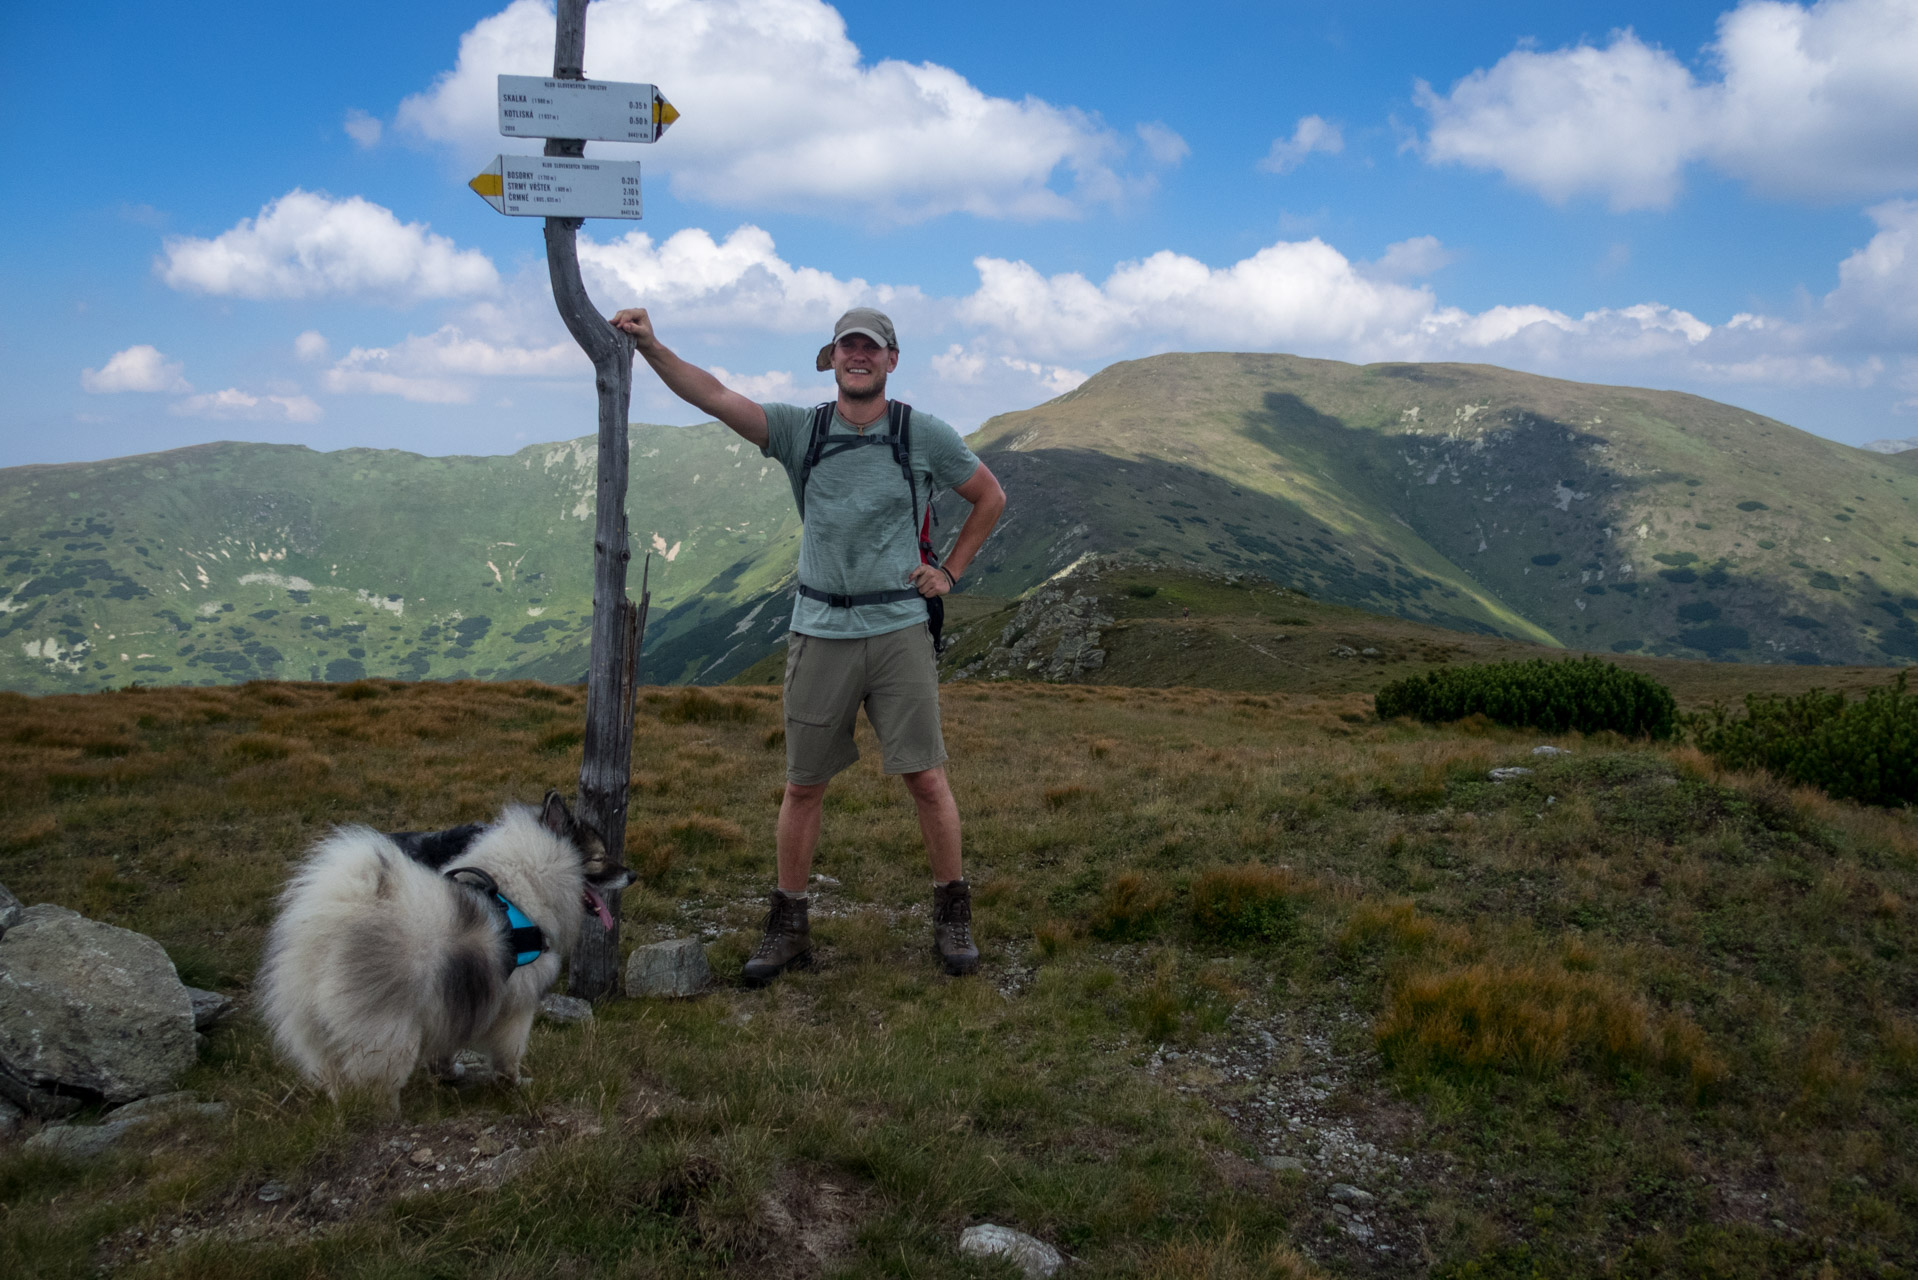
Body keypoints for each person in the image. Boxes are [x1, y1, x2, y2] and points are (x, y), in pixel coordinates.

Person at [610, 305, 1006, 985]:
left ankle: (952, 914)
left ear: (891, 360)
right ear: (833, 358)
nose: (859, 357)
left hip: (899, 628)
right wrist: (651, 346)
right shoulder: (803, 430)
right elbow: (713, 396)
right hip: (820, 628)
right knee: (803, 786)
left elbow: (989, 496)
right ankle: (789, 925)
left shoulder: (921, 433)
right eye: (849, 347)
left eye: (871, 349)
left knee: (927, 778)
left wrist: (950, 572)